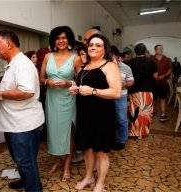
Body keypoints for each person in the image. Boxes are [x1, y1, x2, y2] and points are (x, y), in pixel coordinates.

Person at [0, 29, 44, 192]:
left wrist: (0, 93)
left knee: (26, 161)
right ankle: (26, 181)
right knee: (22, 160)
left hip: (22, 125)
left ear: (8, 43)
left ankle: (34, 189)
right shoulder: (14, 64)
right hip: (15, 123)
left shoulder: (22, 64)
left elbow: (27, 91)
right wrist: (0, 94)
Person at [69, 34, 121, 191]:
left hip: (102, 115)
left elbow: (116, 92)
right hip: (85, 114)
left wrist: (93, 91)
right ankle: (89, 177)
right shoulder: (85, 66)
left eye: (98, 45)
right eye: (91, 44)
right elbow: (83, 88)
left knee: (101, 151)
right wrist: (76, 90)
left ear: (105, 49)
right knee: (88, 148)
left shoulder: (110, 66)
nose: (93, 47)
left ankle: (100, 183)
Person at [39, 26, 82, 181]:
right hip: (51, 99)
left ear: (69, 40)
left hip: (68, 100)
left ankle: (67, 166)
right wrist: (47, 81)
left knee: (67, 134)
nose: (61, 41)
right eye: (58, 38)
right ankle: (57, 160)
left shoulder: (76, 58)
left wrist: (67, 83)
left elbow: (80, 81)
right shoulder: (47, 57)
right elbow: (41, 78)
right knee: (53, 131)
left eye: (64, 37)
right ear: (54, 41)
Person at [71, 28, 102, 164]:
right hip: (84, 103)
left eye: (87, 39)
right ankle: (88, 160)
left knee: (97, 138)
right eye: (85, 40)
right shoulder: (84, 58)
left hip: (99, 105)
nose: (84, 42)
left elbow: (114, 90)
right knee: (87, 136)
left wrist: (93, 91)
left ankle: (97, 163)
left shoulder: (106, 61)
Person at [128, 43, 158, 138]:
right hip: (148, 90)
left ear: (135, 52)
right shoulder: (152, 62)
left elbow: (128, 77)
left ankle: (135, 132)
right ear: (145, 52)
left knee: (135, 111)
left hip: (135, 90)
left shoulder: (130, 62)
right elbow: (155, 76)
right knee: (146, 111)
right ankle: (144, 132)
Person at [111, 45, 134, 150]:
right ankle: (110, 139)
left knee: (121, 118)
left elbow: (131, 81)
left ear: (117, 56)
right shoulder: (105, 66)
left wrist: (122, 85)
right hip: (107, 96)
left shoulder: (126, 67)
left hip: (121, 96)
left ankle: (121, 140)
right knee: (109, 118)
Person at [151, 44, 172, 122]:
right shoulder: (151, 58)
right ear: (155, 50)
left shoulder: (167, 59)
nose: (161, 50)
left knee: (163, 98)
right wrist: (153, 75)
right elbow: (149, 68)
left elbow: (170, 70)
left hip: (163, 83)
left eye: (162, 49)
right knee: (154, 99)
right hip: (153, 83)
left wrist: (163, 76)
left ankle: (163, 115)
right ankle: (152, 112)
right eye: (159, 49)